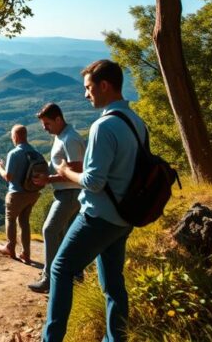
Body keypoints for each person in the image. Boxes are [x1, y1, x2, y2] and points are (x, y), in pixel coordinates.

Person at [43, 60, 144, 342]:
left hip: (99, 216)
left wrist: (64, 172)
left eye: (88, 88)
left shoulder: (103, 126)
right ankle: (115, 339)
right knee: (113, 284)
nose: (86, 95)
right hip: (125, 216)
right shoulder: (136, 121)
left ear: (104, 85)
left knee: (60, 269)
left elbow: (94, 182)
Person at [28, 103, 85, 294]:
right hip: (66, 192)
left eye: (47, 123)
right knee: (64, 234)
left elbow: (77, 170)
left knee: (50, 230)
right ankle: (72, 275)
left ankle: (49, 279)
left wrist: (48, 179)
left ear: (59, 119)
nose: (44, 128)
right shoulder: (62, 136)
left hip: (70, 193)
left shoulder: (70, 139)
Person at [0, 124, 41, 264]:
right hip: (32, 193)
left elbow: (8, 177)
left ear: (16, 136)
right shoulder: (36, 153)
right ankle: (26, 253)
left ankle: (10, 247)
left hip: (17, 193)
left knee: (11, 219)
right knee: (24, 222)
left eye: (12, 136)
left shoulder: (14, 153)